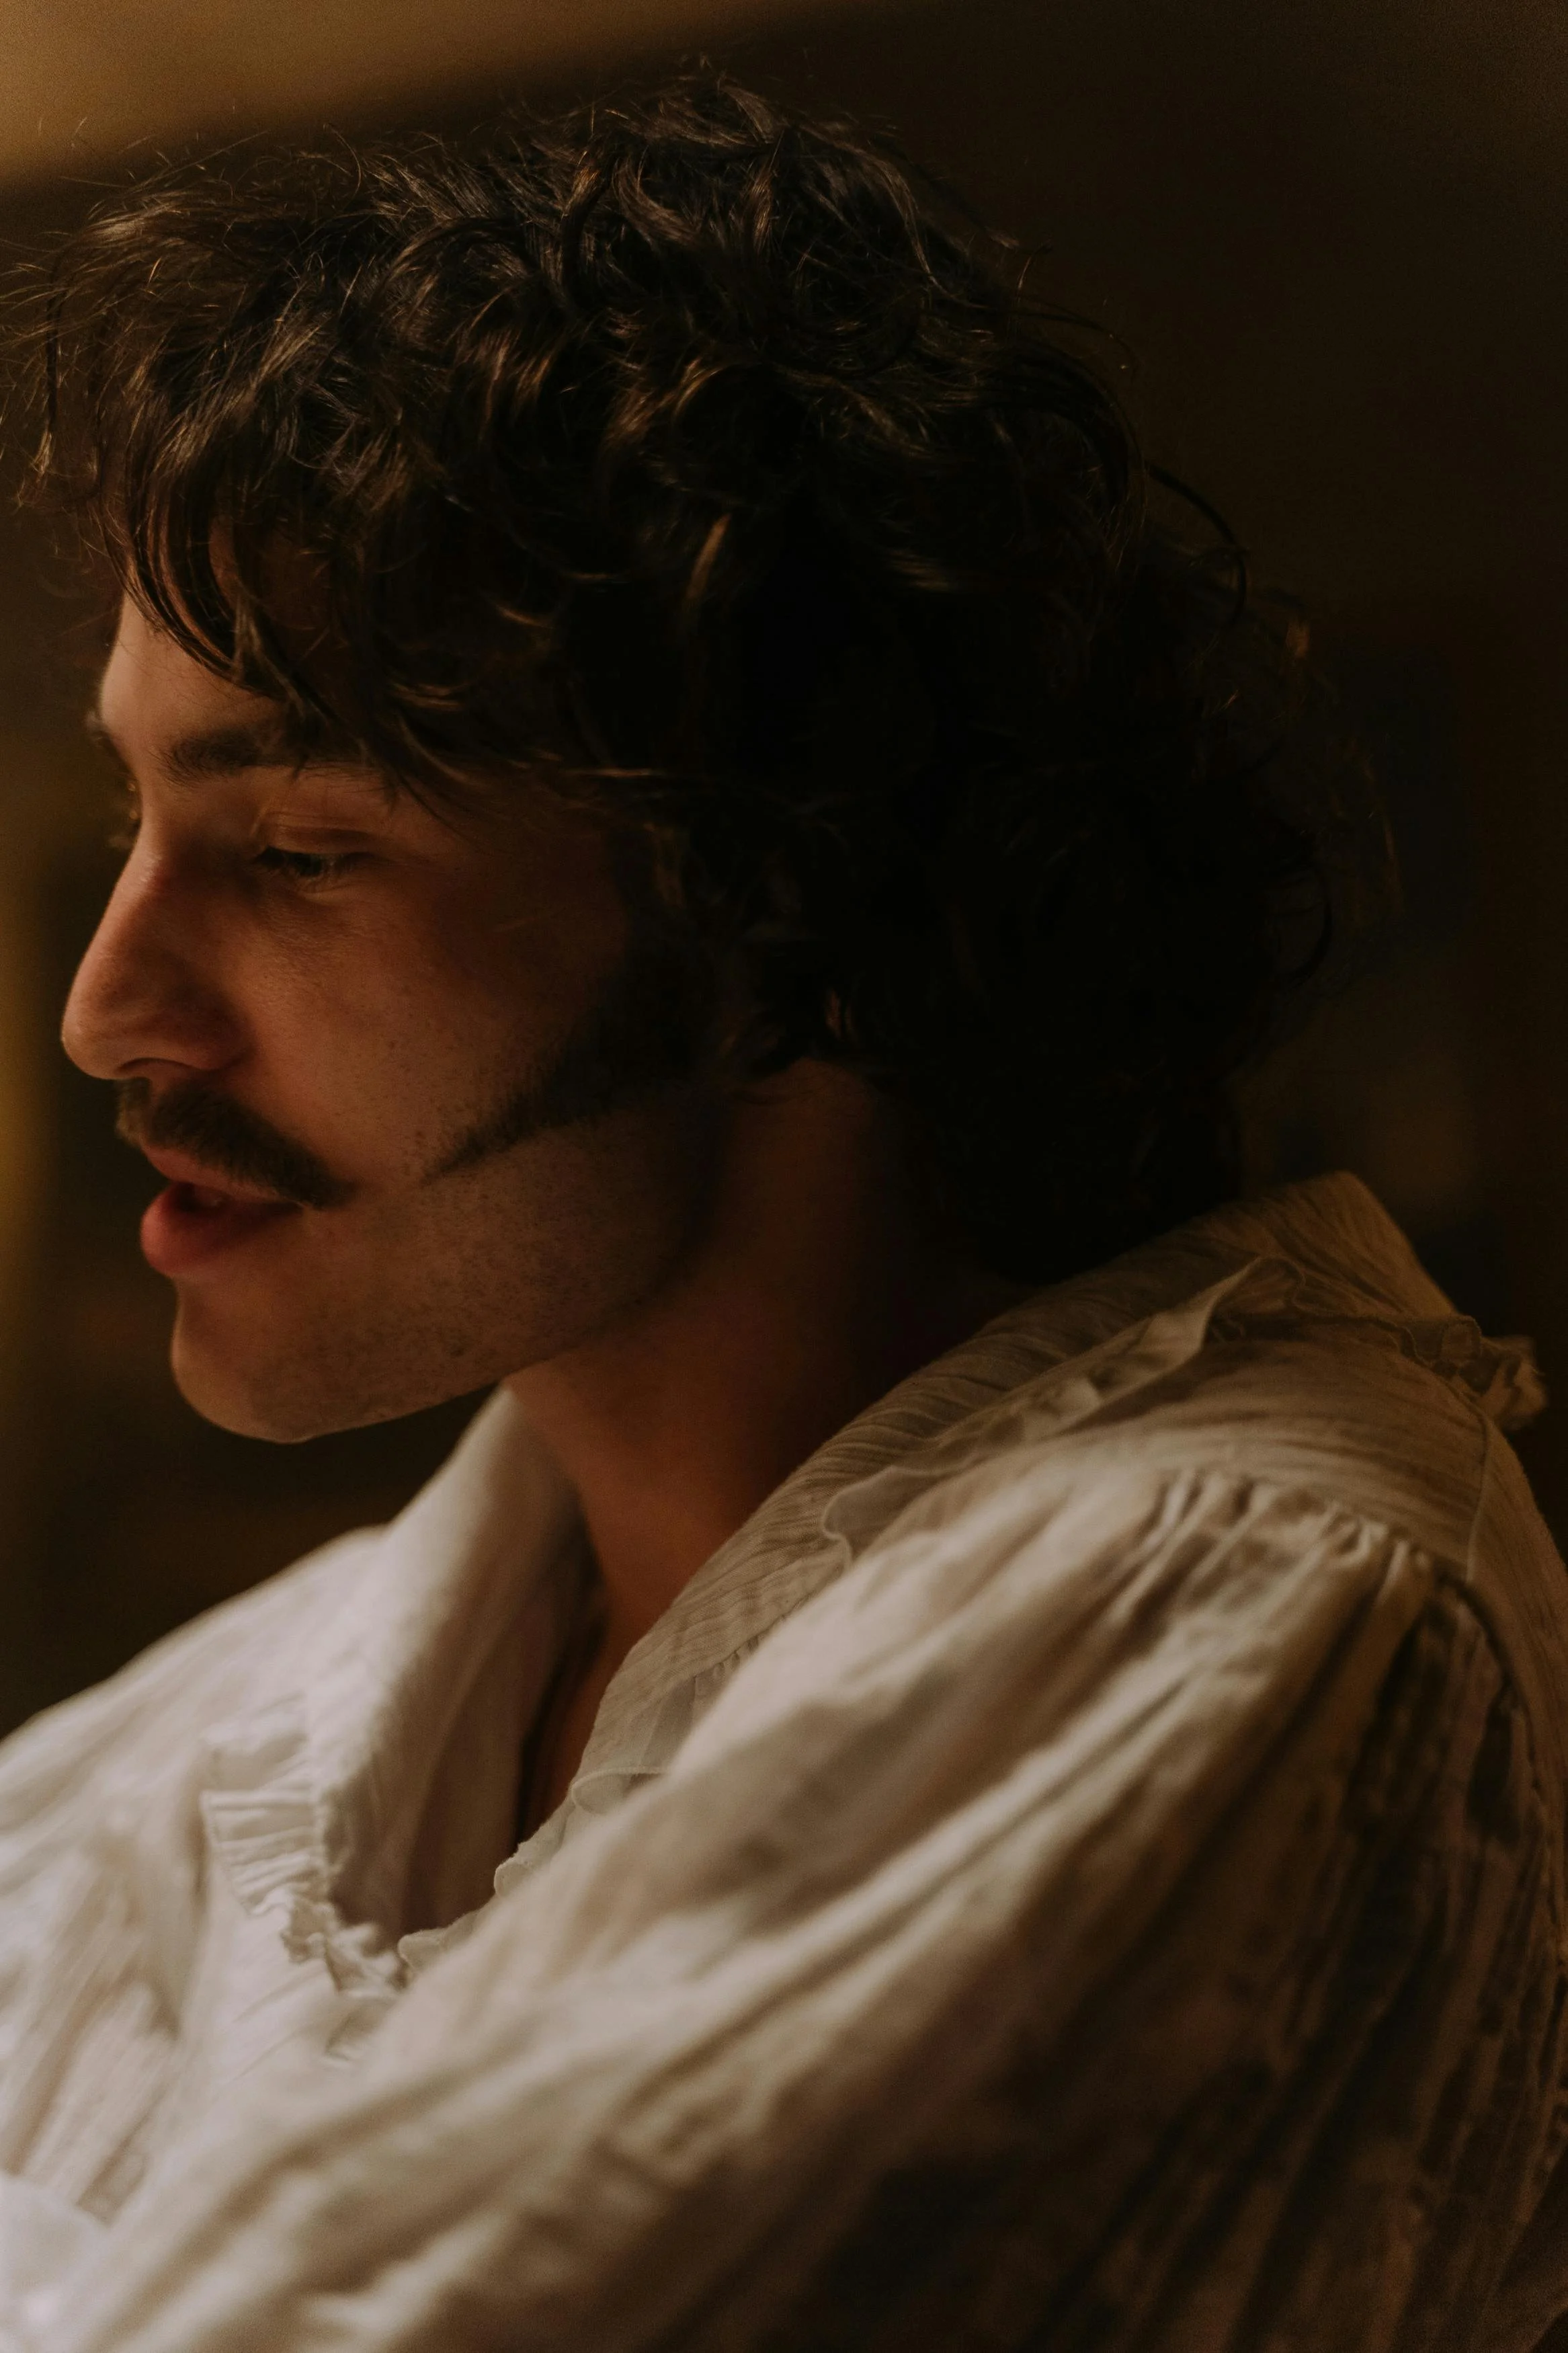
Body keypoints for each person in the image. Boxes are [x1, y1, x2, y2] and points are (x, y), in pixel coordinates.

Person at [0, 70, 1565, 2353]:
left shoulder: (1253, 1589)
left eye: (298, 853)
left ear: (767, 916)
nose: (105, 1011)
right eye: (131, 826)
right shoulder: (261, 1714)